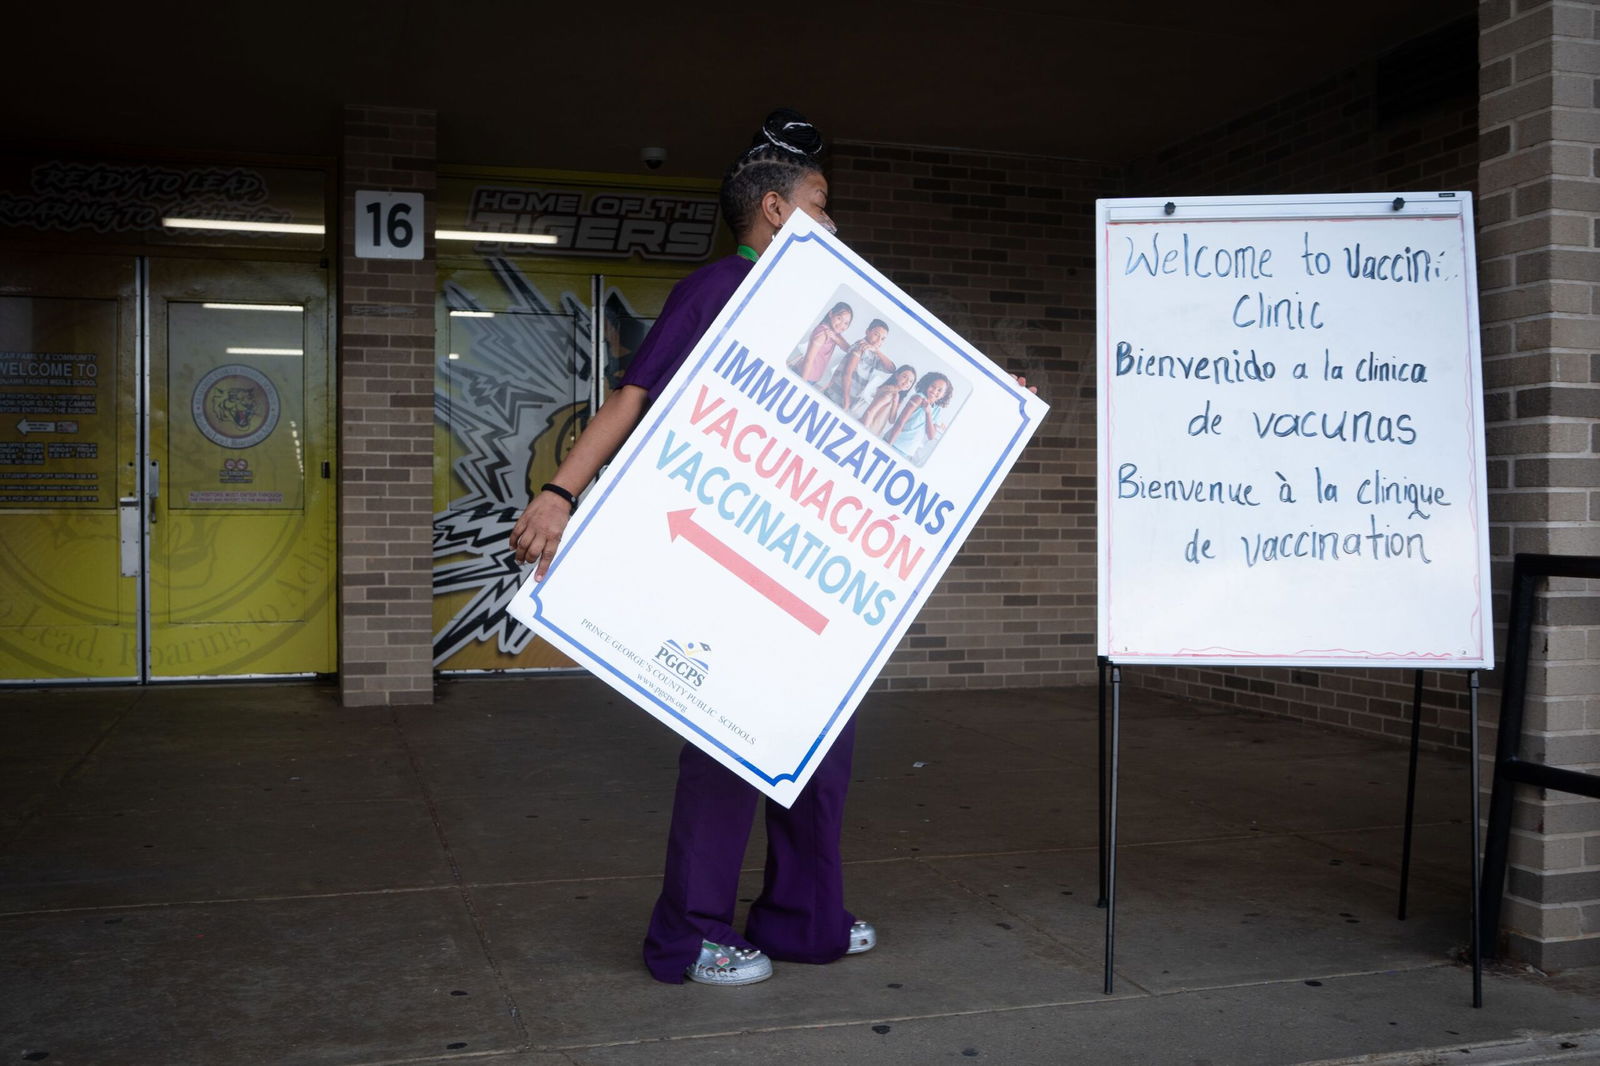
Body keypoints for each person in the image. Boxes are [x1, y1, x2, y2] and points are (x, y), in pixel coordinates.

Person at [507, 108, 873, 988]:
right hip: (730, 566)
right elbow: (633, 399)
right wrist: (561, 493)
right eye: (823, 203)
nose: (836, 221)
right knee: (730, 746)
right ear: (777, 212)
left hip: (818, 569)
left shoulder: (838, 309)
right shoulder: (713, 291)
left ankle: (802, 916)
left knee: (821, 748)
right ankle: (690, 933)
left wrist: (991, 408)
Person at [824, 319, 894, 414]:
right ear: (867, 332)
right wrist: (846, 399)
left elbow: (891, 369)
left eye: (882, 339)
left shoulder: (873, 353)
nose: (878, 340)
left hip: (848, 397)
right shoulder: (860, 346)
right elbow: (847, 374)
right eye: (876, 334)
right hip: (837, 396)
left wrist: (877, 351)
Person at [885, 371, 953, 456]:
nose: (935, 391)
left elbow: (931, 436)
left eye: (940, 390)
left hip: (907, 451)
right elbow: (900, 422)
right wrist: (888, 445)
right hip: (894, 443)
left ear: (944, 394)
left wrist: (928, 413)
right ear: (928, 385)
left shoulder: (937, 410)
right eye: (933, 386)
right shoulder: (918, 398)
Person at [790, 301, 854, 383]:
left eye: (846, 323)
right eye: (839, 318)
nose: (842, 325)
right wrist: (802, 384)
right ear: (831, 314)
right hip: (804, 376)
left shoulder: (834, 333)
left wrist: (835, 338)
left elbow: (848, 349)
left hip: (812, 378)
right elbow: (809, 360)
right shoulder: (823, 333)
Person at [860, 363, 917, 436]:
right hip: (867, 429)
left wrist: (895, 402)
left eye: (911, 381)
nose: (907, 382)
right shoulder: (889, 393)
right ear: (897, 375)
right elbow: (870, 412)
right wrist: (863, 431)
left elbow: (891, 420)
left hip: (872, 431)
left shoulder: (895, 394)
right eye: (905, 377)